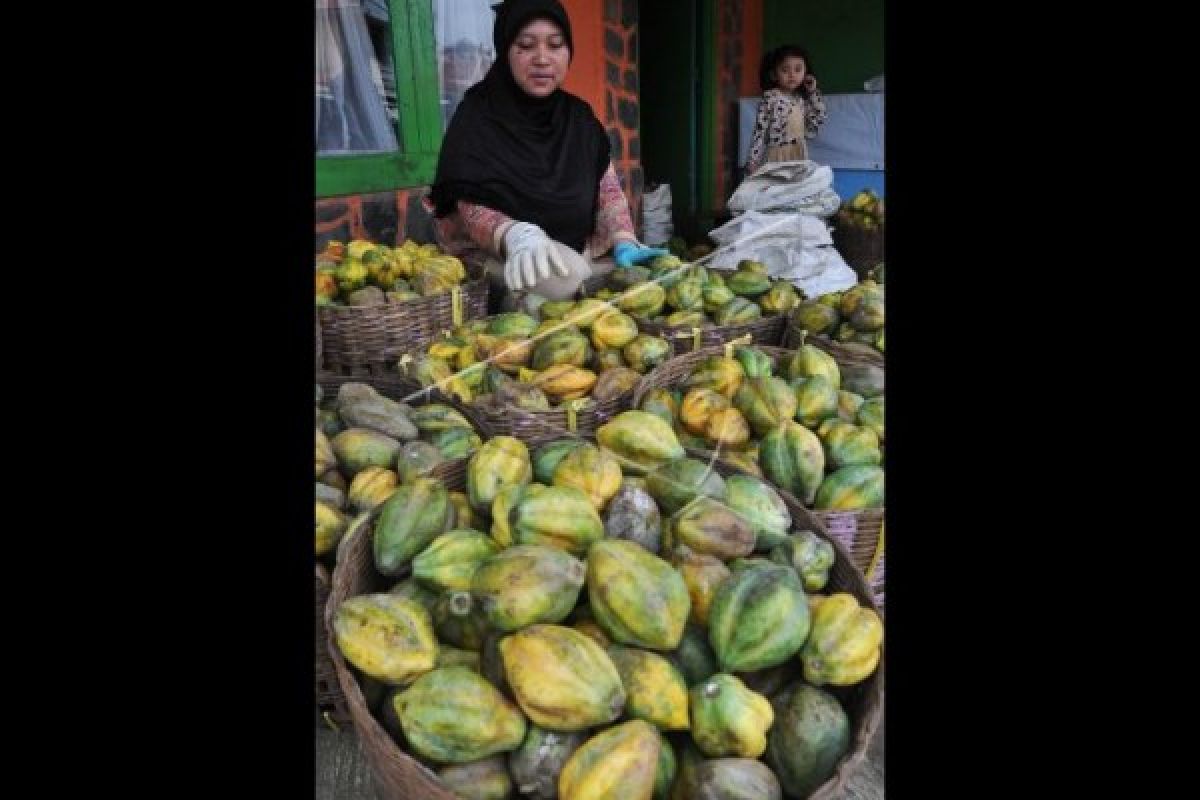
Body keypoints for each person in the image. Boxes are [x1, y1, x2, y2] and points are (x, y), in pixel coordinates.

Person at [428, 0, 665, 303]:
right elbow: (469, 204)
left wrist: (624, 240)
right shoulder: (477, 116)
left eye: (555, 45)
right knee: (566, 279)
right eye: (526, 46)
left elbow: (606, 188)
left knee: (637, 282)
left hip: (574, 248)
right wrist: (515, 235)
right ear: (505, 52)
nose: (542, 58)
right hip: (499, 254)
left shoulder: (579, 118)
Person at [744, 45, 828, 176]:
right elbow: (759, 131)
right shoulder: (770, 98)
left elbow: (818, 119)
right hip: (777, 155)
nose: (792, 75)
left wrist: (812, 93)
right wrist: (752, 161)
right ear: (773, 75)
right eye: (785, 70)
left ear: (806, 73)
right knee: (777, 190)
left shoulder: (801, 100)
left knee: (795, 192)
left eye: (798, 69)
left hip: (798, 153)